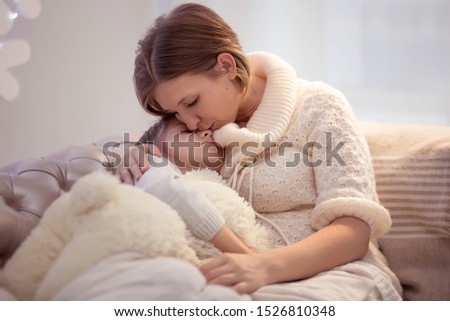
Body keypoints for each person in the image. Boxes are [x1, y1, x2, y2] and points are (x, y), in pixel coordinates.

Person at [122, 3, 402, 300]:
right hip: (233, 274)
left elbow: (354, 233)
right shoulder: (193, 131)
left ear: (227, 66)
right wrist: (133, 159)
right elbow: (152, 168)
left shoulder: (319, 106)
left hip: (335, 273)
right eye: (174, 113)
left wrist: (262, 266)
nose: (190, 122)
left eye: (191, 102)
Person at [132, 114, 254, 256]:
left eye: (210, 130)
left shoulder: (222, 183)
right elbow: (166, 190)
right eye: (187, 132)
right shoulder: (149, 161)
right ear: (155, 149)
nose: (208, 133)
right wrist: (248, 255)